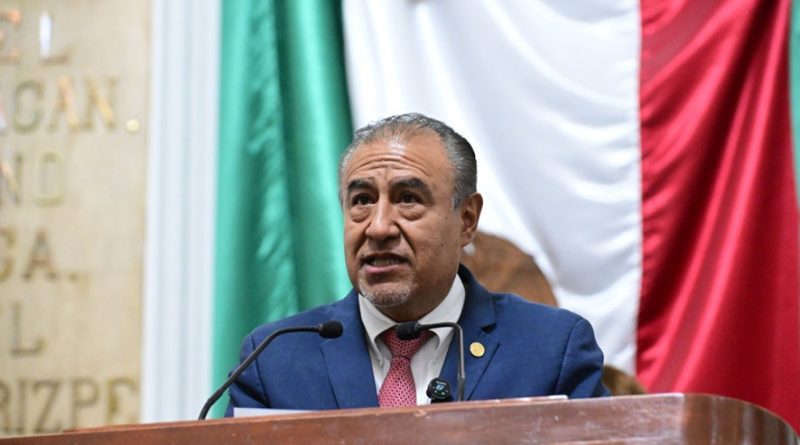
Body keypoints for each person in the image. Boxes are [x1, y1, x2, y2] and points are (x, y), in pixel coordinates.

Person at [225, 113, 608, 415]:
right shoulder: (274, 360)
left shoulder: (550, 349)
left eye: (408, 198)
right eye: (362, 201)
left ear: (466, 219)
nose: (378, 227)